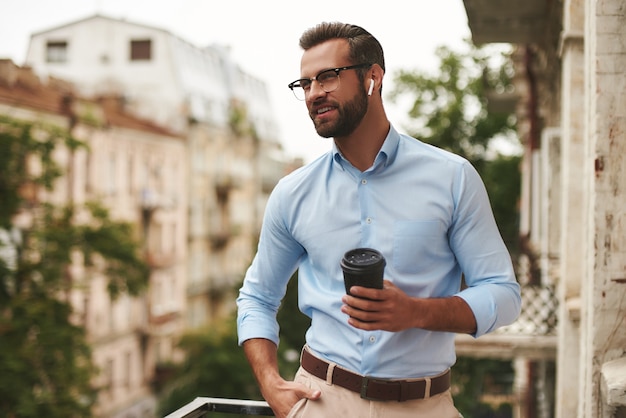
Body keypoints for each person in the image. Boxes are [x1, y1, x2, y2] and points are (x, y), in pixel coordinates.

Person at [237, 21, 521, 418]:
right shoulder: (292, 193)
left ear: (373, 78)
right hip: (320, 400)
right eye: (305, 84)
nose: (315, 93)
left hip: (424, 405)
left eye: (328, 77)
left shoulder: (452, 178)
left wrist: (417, 312)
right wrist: (271, 383)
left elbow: (504, 295)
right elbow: (257, 297)